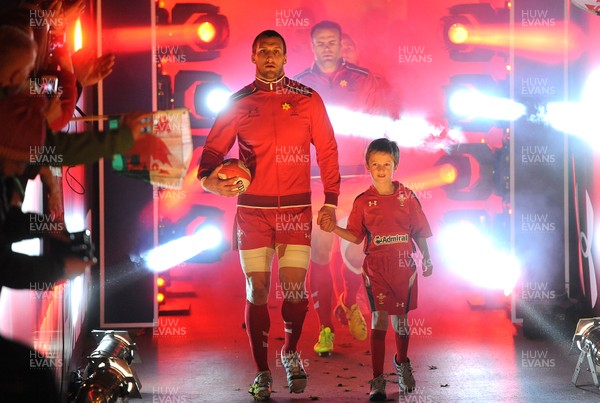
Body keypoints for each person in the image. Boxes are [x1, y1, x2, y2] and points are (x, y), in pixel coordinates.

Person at [197, 30, 340, 401]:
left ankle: (290, 351)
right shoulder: (238, 102)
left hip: (295, 211)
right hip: (253, 213)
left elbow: (327, 150)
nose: (270, 57)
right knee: (258, 290)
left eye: (276, 51)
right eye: (263, 52)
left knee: (294, 290)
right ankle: (262, 371)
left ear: (287, 56)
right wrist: (211, 183)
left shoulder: (308, 99)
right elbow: (210, 155)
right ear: (253, 56)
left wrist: (331, 199)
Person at [295, 20, 393, 356]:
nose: (326, 47)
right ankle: (325, 328)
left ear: (341, 44)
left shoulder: (363, 79)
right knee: (320, 253)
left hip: (355, 180)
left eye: (332, 41)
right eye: (320, 42)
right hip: (315, 182)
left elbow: (379, 126)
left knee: (355, 252)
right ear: (312, 46)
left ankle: (348, 302)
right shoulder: (296, 85)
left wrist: (381, 177)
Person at [320, 138, 433, 400]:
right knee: (379, 320)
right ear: (368, 166)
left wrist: (427, 258)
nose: (381, 169)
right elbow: (356, 236)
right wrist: (333, 228)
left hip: (404, 267)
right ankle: (377, 379)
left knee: (401, 322)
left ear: (396, 165)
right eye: (375, 164)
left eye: (386, 164)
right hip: (376, 269)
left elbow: (419, 232)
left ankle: (402, 362)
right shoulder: (362, 202)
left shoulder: (407, 197)